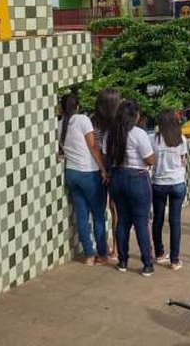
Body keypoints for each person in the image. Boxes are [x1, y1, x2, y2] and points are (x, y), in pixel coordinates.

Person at [104, 100, 157, 276]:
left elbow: (106, 156)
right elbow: (150, 160)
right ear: (134, 115)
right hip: (137, 179)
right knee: (141, 221)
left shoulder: (110, 134)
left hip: (117, 178)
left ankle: (122, 261)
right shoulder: (139, 134)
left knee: (122, 220)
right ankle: (147, 264)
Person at [58, 93, 109, 265]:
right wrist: (103, 169)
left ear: (62, 108)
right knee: (98, 216)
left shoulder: (60, 125)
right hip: (89, 173)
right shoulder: (82, 120)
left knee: (81, 215)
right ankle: (101, 254)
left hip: (71, 174)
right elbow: (93, 147)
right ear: (77, 106)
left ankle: (88, 254)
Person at [151, 109, 188, 270]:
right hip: (177, 182)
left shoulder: (153, 139)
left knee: (158, 219)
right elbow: (183, 160)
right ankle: (174, 260)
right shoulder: (181, 139)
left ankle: (159, 253)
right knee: (175, 221)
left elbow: (149, 159)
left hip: (158, 183)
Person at [92, 88, 121, 260]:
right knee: (116, 210)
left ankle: (105, 249)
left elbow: (94, 147)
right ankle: (116, 249)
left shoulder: (92, 121)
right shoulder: (118, 123)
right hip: (114, 168)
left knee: (100, 211)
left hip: (96, 169)